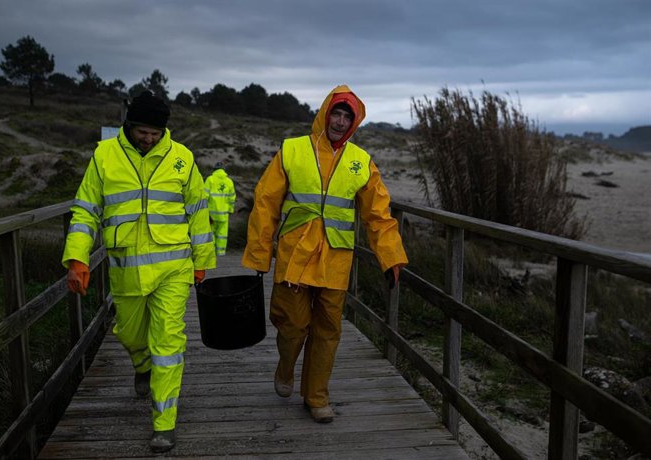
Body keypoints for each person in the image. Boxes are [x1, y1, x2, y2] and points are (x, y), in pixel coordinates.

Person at [241, 84, 408, 423]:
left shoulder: (362, 163)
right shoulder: (292, 150)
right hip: (295, 256)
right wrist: (260, 255)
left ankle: (316, 396)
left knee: (327, 331)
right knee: (292, 326)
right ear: (325, 113)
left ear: (354, 122)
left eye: (348, 116)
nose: (340, 121)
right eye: (336, 112)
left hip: (335, 261)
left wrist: (390, 257)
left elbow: (378, 214)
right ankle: (286, 368)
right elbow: (265, 204)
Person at [62, 91, 215, 453]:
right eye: (143, 131)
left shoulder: (182, 158)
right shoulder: (104, 157)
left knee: (168, 342)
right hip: (126, 267)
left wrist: (203, 260)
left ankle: (164, 423)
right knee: (130, 334)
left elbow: (198, 210)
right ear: (129, 125)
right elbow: (85, 211)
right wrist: (77, 258)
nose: (149, 138)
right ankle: (141, 365)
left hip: (173, 267)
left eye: (156, 133)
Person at [204, 161, 236, 256]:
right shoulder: (229, 181)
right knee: (222, 235)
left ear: (214, 169)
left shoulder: (210, 180)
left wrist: (204, 211)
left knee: (211, 233)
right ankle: (221, 254)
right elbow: (232, 198)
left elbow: (204, 196)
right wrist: (230, 210)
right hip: (224, 214)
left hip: (211, 214)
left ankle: (211, 253)